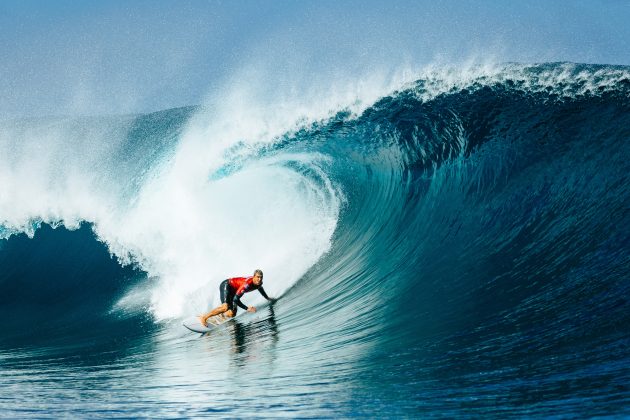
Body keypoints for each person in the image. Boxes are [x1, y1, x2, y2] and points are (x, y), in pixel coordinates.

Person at [199, 269, 273, 325]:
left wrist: (267, 298)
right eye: (257, 277)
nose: (259, 279)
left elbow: (260, 288)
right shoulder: (247, 285)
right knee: (225, 307)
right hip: (227, 285)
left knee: (232, 313)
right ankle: (204, 317)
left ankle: (220, 315)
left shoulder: (259, 283)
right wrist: (247, 308)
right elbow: (236, 299)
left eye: (261, 277)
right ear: (254, 276)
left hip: (233, 291)